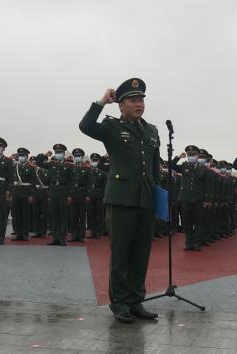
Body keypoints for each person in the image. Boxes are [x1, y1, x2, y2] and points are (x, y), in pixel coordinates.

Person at [79, 77, 160, 324]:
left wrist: (158, 199)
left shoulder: (152, 130)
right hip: (121, 199)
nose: (139, 104)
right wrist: (101, 101)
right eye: (133, 100)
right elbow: (86, 125)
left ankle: (136, 301)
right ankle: (121, 303)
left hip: (145, 200)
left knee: (141, 253)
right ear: (121, 105)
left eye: (141, 100)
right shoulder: (112, 128)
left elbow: (155, 168)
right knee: (122, 254)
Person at [37, 144, 73, 246]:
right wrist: (45, 155)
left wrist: (70, 195)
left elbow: (71, 181)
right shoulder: (51, 163)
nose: (58, 154)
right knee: (54, 216)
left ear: (63, 153)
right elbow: (39, 163)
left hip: (64, 191)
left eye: (60, 152)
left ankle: (62, 238)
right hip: (53, 191)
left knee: (63, 216)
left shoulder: (69, 165)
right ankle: (55, 238)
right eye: (56, 152)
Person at [10, 147, 37, 241]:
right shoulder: (15, 167)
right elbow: (11, 180)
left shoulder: (31, 168)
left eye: (23, 155)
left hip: (26, 192)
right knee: (16, 214)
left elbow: (33, 182)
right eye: (20, 155)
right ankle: (18, 233)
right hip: (16, 192)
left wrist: (31, 195)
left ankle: (25, 234)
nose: (21, 157)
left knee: (25, 214)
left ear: (27, 157)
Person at [86, 153, 107, 239]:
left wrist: (104, 196)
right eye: (93, 160)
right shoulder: (89, 172)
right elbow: (86, 184)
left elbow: (105, 186)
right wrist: (87, 195)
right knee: (91, 214)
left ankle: (99, 232)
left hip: (99, 196)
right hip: (90, 195)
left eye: (96, 160)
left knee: (99, 214)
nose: (94, 162)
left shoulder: (103, 173)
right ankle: (92, 231)